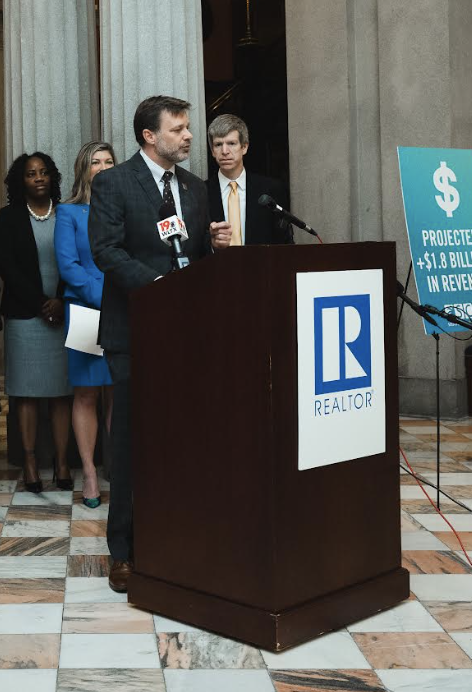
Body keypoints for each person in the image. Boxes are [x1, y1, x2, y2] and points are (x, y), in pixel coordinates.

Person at [89, 96, 232, 593]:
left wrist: (214, 246)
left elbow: (193, 255)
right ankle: (123, 551)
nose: (189, 136)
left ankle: (179, 538)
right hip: (134, 332)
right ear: (149, 136)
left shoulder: (194, 187)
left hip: (186, 334)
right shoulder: (113, 183)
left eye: (188, 127)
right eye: (178, 129)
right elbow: (106, 251)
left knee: (182, 439)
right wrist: (159, 287)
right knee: (132, 443)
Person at [0, 152, 73, 494]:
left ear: (52, 177)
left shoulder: (67, 213)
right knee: (26, 393)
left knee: (61, 393)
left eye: (43, 172)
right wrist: (42, 303)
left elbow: (77, 259)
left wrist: (61, 300)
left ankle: (62, 461)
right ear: (20, 180)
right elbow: (6, 266)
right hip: (25, 316)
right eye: (30, 174)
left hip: (63, 313)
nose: (38, 178)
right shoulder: (9, 216)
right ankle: (29, 461)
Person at [54, 141, 116, 510]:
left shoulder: (126, 209)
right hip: (85, 309)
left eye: (109, 161)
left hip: (122, 308)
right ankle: (90, 472)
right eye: (96, 162)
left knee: (118, 390)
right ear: (84, 169)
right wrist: (101, 296)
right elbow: (68, 266)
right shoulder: (68, 212)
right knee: (87, 393)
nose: (103, 167)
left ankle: (119, 470)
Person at [205, 114, 294, 246]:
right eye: (218, 144)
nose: (224, 151)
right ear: (212, 151)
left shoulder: (271, 190)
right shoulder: (201, 191)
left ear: (244, 147)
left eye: (231, 143)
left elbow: (284, 242)